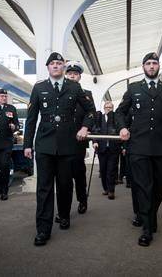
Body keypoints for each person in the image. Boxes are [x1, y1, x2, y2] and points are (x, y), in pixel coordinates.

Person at [24, 52, 95, 246]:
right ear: (48, 67)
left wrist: (84, 127)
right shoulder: (39, 88)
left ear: (63, 67)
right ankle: (43, 229)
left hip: (67, 144)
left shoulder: (75, 87)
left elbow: (90, 111)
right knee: (44, 189)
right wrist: (27, 145)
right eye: (52, 63)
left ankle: (64, 215)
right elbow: (31, 120)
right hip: (45, 144)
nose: (56, 66)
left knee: (64, 185)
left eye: (59, 63)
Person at [115, 52, 162, 247]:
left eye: (154, 63)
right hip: (139, 146)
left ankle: (150, 216)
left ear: (158, 66)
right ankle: (147, 227)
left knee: (160, 186)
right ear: (143, 67)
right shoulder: (134, 88)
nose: (152, 66)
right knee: (144, 187)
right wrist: (122, 127)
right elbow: (120, 112)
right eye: (148, 63)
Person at [55, 60, 94, 220]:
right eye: (69, 73)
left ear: (79, 77)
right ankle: (64, 210)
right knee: (63, 178)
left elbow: (91, 114)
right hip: (61, 142)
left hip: (78, 141)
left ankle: (82, 200)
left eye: (75, 74)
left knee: (78, 174)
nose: (72, 76)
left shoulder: (86, 93)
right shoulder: (59, 91)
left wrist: (85, 128)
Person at [93, 101, 121, 200]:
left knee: (111, 170)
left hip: (113, 148)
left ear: (113, 108)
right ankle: (105, 188)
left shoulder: (116, 118)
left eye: (110, 107)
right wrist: (95, 141)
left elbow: (120, 129)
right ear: (104, 108)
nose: (108, 109)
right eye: (107, 107)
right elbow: (95, 130)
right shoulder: (99, 118)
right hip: (102, 148)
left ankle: (111, 190)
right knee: (104, 170)